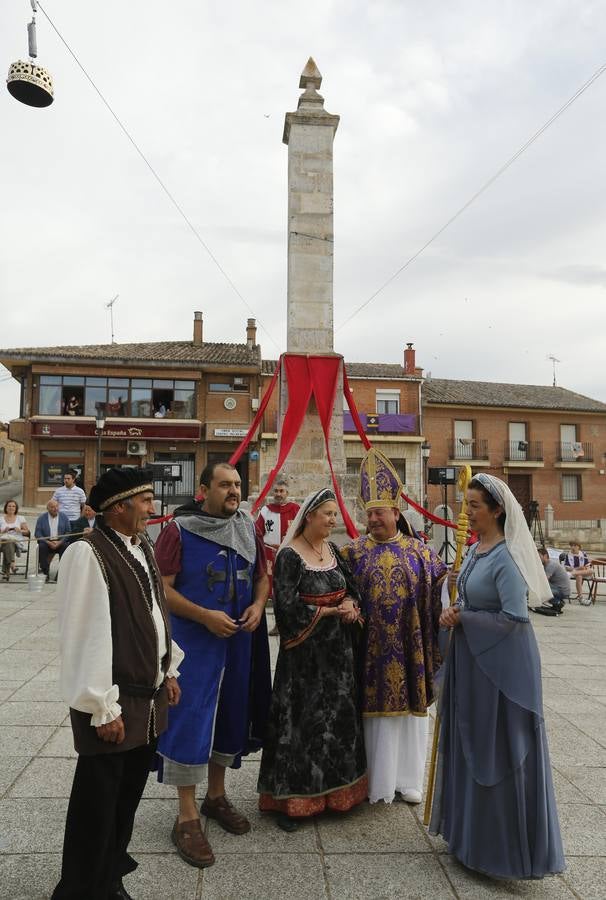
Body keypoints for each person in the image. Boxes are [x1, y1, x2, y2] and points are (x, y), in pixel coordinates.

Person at [51, 467, 183, 900]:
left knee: (125, 799)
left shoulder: (141, 544)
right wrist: (100, 706)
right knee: (96, 804)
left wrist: (168, 670)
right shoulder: (86, 553)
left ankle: (109, 878)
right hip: (113, 706)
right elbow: (84, 634)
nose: (151, 508)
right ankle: (80, 889)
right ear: (119, 507)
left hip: (146, 701)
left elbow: (152, 614)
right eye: (144, 501)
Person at [429, 473, 565, 880]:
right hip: (473, 661)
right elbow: (471, 595)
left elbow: (514, 617)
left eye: (474, 506)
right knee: (470, 742)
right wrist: (456, 592)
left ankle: (499, 851)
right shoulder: (474, 550)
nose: (466, 512)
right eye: (466, 504)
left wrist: (463, 615)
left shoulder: (506, 556)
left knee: (496, 749)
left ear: (497, 510)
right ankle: (466, 838)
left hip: (501, 668)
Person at [154, 461, 271, 869]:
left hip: (238, 640)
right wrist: (203, 616)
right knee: (190, 719)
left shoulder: (247, 526)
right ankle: (185, 817)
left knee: (230, 716)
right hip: (194, 644)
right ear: (203, 490)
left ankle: (215, 796)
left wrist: (258, 605)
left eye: (237, 484)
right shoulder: (178, 529)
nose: (234, 491)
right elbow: (162, 590)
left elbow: (262, 576)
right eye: (224, 485)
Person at [339, 448, 447, 805]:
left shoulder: (422, 554)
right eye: (369, 513)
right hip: (369, 653)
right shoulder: (352, 553)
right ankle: (375, 780)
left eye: (379, 512)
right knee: (374, 720)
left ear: (396, 513)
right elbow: (340, 592)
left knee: (410, 720)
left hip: (411, 650)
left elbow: (441, 593)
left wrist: (455, 583)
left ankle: (409, 779)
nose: (373, 519)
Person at [257, 488, 368, 831]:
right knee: (304, 724)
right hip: (305, 661)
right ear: (310, 517)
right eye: (328, 515)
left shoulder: (333, 550)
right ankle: (295, 800)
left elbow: (351, 587)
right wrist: (330, 610)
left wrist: (351, 604)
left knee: (338, 720)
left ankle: (339, 795)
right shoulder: (291, 556)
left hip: (339, 655)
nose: (333, 520)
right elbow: (287, 608)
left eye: (335, 515)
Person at [255, 476, 300, 636]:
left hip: (289, 555)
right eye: (276, 491)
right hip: (269, 557)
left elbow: (302, 531)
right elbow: (258, 532)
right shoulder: (266, 510)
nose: (278, 494)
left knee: (290, 589)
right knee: (273, 591)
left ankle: (292, 622)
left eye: (281, 491)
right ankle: (277, 624)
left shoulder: (296, 509)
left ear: (287, 492)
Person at [34, 499, 71, 580]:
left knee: (66, 547)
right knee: (41, 546)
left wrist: (60, 542)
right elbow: (37, 534)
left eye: (57, 506)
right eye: (52, 507)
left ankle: (60, 573)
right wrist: (48, 542)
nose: (55, 509)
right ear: (48, 508)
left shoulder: (64, 517)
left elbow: (68, 532)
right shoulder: (41, 518)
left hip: (60, 541)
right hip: (47, 542)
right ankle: (45, 572)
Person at [0, 500, 30, 581]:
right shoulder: (1, 519)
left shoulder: (20, 518)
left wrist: (20, 530)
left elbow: (27, 531)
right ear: (6, 507)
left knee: (9, 543)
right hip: (2, 542)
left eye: (13, 506)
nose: (11, 508)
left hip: (16, 542)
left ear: (16, 508)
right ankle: (12, 564)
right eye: (9, 506)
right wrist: (3, 531)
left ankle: (6, 572)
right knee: (8, 543)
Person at [535, 547, 570, 614]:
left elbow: (544, 581)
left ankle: (558, 603)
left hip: (562, 590)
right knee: (541, 588)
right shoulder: (546, 565)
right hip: (558, 588)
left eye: (539, 556)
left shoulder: (550, 565)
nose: (537, 559)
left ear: (545, 556)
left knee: (542, 590)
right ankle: (556, 603)